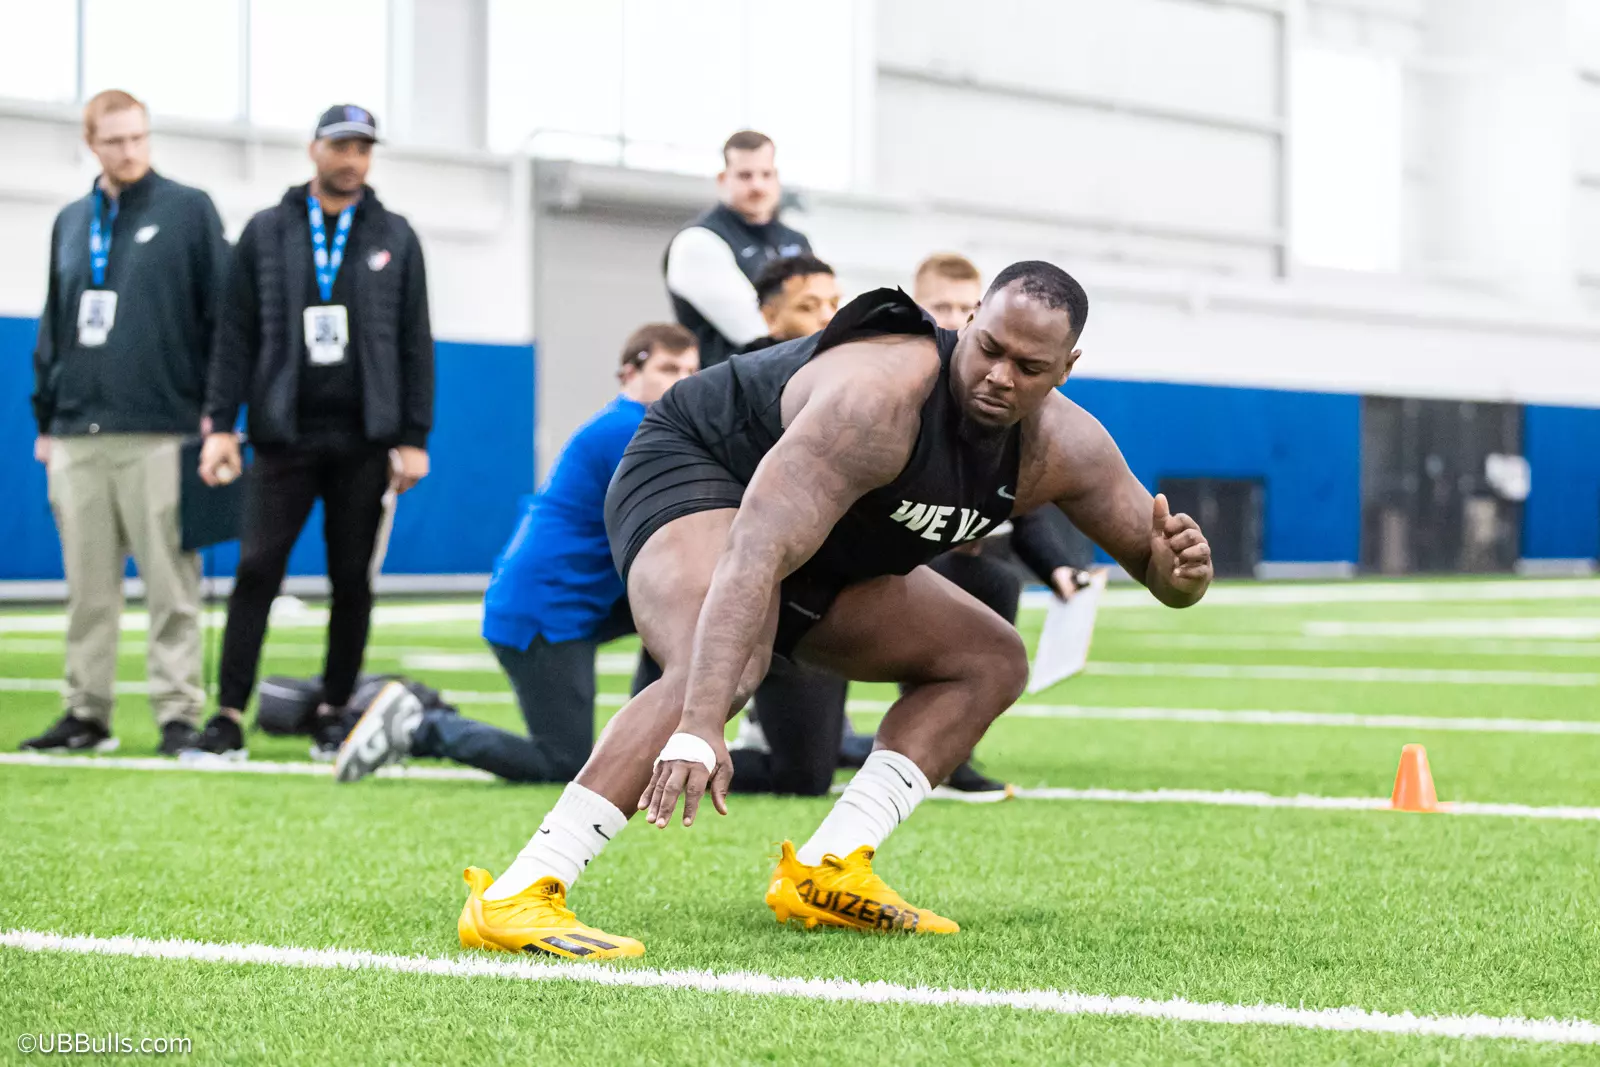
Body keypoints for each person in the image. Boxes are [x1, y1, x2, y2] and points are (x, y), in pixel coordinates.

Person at [456, 261, 1214, 959]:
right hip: (707, 469)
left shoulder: (1068, 448)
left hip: (825, 541)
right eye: (987, 347)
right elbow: (755, 550)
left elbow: (1161, 571)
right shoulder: (877, 400)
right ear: (969, 317)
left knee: (988, 659)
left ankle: (828, 868)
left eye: (1029, 367)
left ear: (1067, 369)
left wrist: (1183, 573)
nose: (997, 376)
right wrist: (700, 720)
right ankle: (521, 889)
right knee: (724, 663)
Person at [331, 325, 700, 784]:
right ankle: (422, 727)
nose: (683, 381)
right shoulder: (631, 429)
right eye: (669, 369)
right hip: (543, 613)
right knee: (563, 762)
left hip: (576, 602)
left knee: (686, 613)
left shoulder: (633, 425)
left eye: (691, 370)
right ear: (628, 373)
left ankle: (655, 738)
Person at [188, 104, 433, 760]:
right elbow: (233, 336)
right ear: (314, 149)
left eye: (363, 148)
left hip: (364, 439)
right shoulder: (267, 232)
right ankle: (230, 713)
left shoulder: (395, 235)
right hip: (282, 435)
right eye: (341, 145)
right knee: (256, 569)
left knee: (352, 577)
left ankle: (332, 709)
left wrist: (414, 436)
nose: (352, 158)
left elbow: (415, 342)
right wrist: (219, 426)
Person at [22, 89, 228, 757]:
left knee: (173, 584)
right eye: (115, 140)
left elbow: (223, 321)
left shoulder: (189, 211)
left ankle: (177, 715)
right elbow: (55, 324)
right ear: (92, 143)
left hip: (164, 432)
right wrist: (47, 420)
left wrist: (217, 418)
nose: (130, 150)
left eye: (139, 137)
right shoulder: (70, 221)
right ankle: (86, 712)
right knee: (88, 590)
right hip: (79, 434)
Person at [664, 130, 811, 367]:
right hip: (727, 391)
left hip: (788, 380)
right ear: (723, 179)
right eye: (745, 175)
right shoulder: (698, 241)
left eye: (766, 174)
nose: (757, 185)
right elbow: (757, 331)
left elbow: (824, 311)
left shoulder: (796, 240)